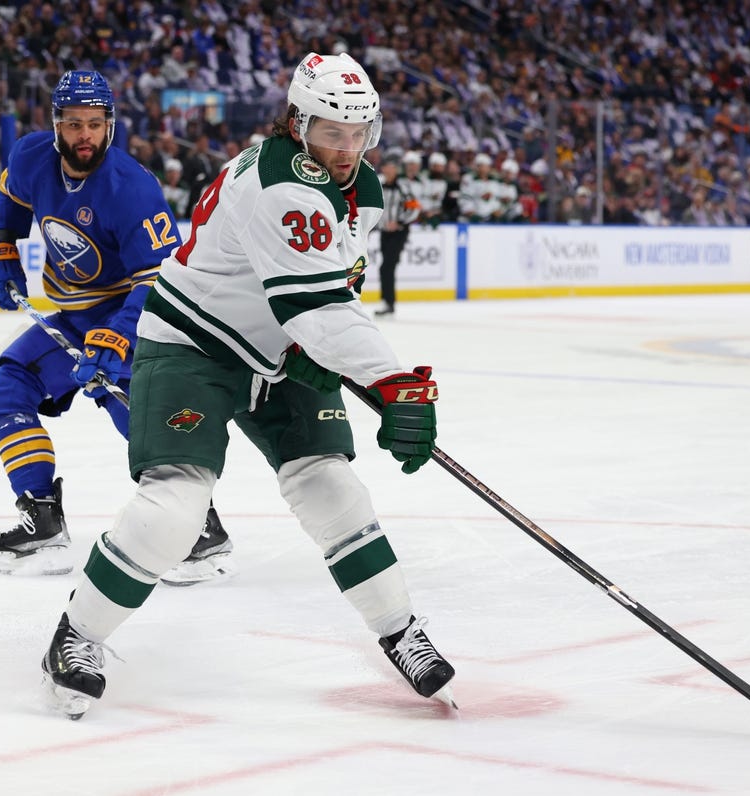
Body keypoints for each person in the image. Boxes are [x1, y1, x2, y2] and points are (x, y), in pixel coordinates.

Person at [39, 52, 455, 719]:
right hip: (193, 342)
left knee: (332, 486)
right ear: (298, 123)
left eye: (359, 134)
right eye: (330, 132)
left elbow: (330, 292)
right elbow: (317, 307)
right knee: (175, 509)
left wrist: (340, 362)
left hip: (280, 346)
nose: (346, 149)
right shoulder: (278, 184)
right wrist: (395, 385)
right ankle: (77, 635)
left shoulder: (362, 191)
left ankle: (401, 629)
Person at [0, 70, 234, 585]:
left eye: (95, 123)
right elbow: (12, 198)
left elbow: (160, 282)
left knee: (139, 417)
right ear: (56, 125)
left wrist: (118, 336)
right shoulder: (31, 156)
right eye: (73, 124)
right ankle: (42, 517)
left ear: (110, 124)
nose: (84, 135)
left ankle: (200, 529)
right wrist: (3, 249)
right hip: (72, 319)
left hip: (135, 317)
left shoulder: (131, 189)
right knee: (8, 391)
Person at [374, 153, 419, 317]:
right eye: (384, 166)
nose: (385, 169)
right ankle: (387, 302)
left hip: (399, 232)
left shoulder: (403, 185)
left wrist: (399, 222)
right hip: (385, 232)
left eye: (388, 166)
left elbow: (414, 207)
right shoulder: (381, 183)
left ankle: (389, 303)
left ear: (394, 169)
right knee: (386, 268)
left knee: (387, 267)